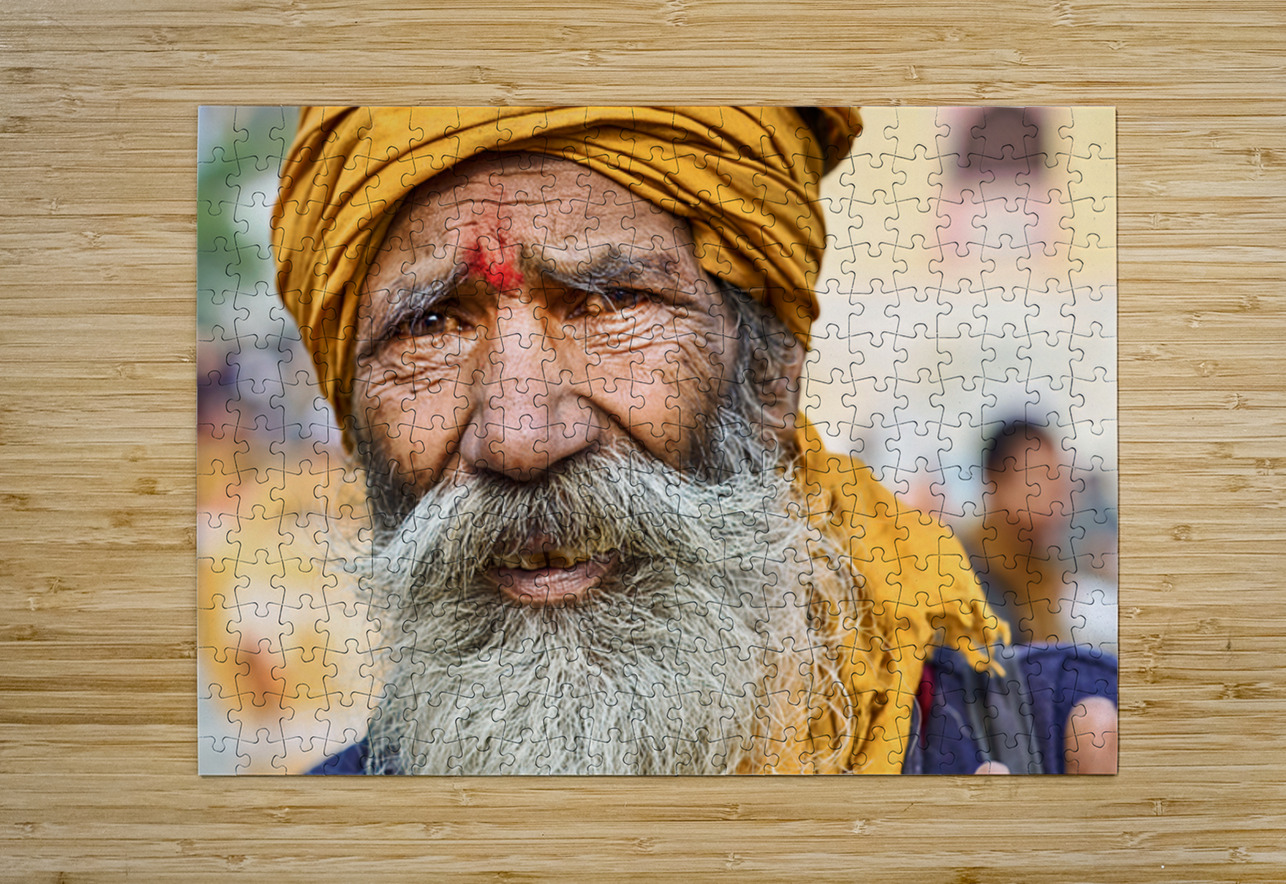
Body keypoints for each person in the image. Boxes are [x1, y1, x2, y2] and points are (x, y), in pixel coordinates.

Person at [271, 107, 1116, 775]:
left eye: (610, 304)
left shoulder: (1075, 751)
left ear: (772, 377)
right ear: (356, 422)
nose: (520, 437)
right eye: (429, 325)